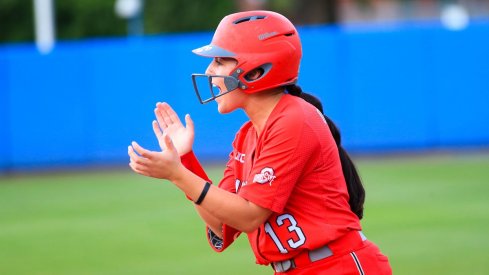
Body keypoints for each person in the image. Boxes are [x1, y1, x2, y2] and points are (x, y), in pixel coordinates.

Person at [128, 10, 392, 274]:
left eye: (220, 61)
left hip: (337, 266)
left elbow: (249, 215)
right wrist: (184, 161)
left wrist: (177, 175)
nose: (209, 70)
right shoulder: (247, 135)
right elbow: (223, 224)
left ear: (255, 71)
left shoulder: (294, 119)